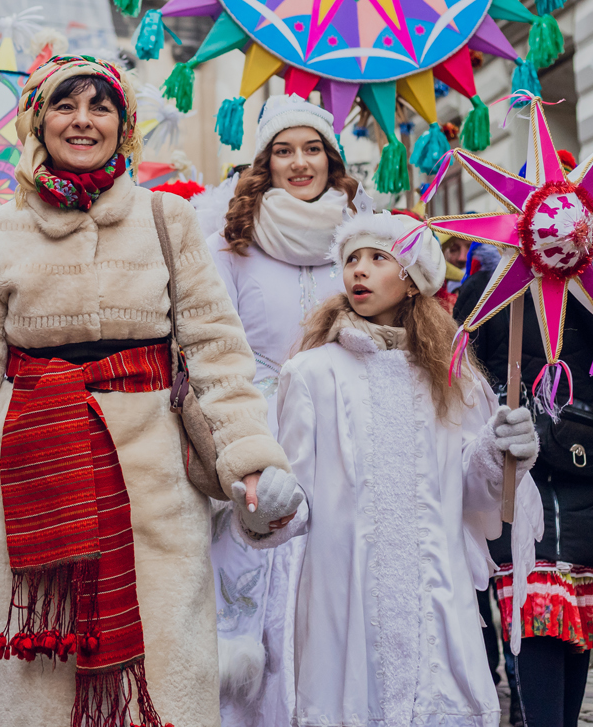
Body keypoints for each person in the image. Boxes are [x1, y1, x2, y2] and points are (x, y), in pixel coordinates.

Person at [0, 55, 299, 727]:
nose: (83, 120)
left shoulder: (167, 221)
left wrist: (250, 458)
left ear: (124, 127)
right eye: (66, 105)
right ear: (39, 121)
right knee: (35, 688)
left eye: (101, 107)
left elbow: (217, 353)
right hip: (33, 478)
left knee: (162, 670)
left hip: (153, 481)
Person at [266, 209, 538, 727]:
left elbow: (477, 500)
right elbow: (295, 496)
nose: (359, 271)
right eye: (350, 260)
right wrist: (271, 505)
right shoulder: (311, 374)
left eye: (377, 258)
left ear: (413, 279)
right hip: (343, 586)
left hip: (435, 583)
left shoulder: (454, 379)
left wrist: (502, 454)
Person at [456, 224, 593, 727]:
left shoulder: (591, 282)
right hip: (520, 464)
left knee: (578, 619)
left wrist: (589, 276)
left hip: (591, 463)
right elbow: (458, 363)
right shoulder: (490, 286)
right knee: (536, 608)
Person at [207, 95, 360, 726]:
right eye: (283, 150)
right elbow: (211, 342)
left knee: (332, 583)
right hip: (253, 426)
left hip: (339, 431)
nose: (300, 163)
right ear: (264, 163)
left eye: (313, 148)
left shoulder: (359, 238)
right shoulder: (230, 240)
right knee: (247, 583)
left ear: (332, 159)